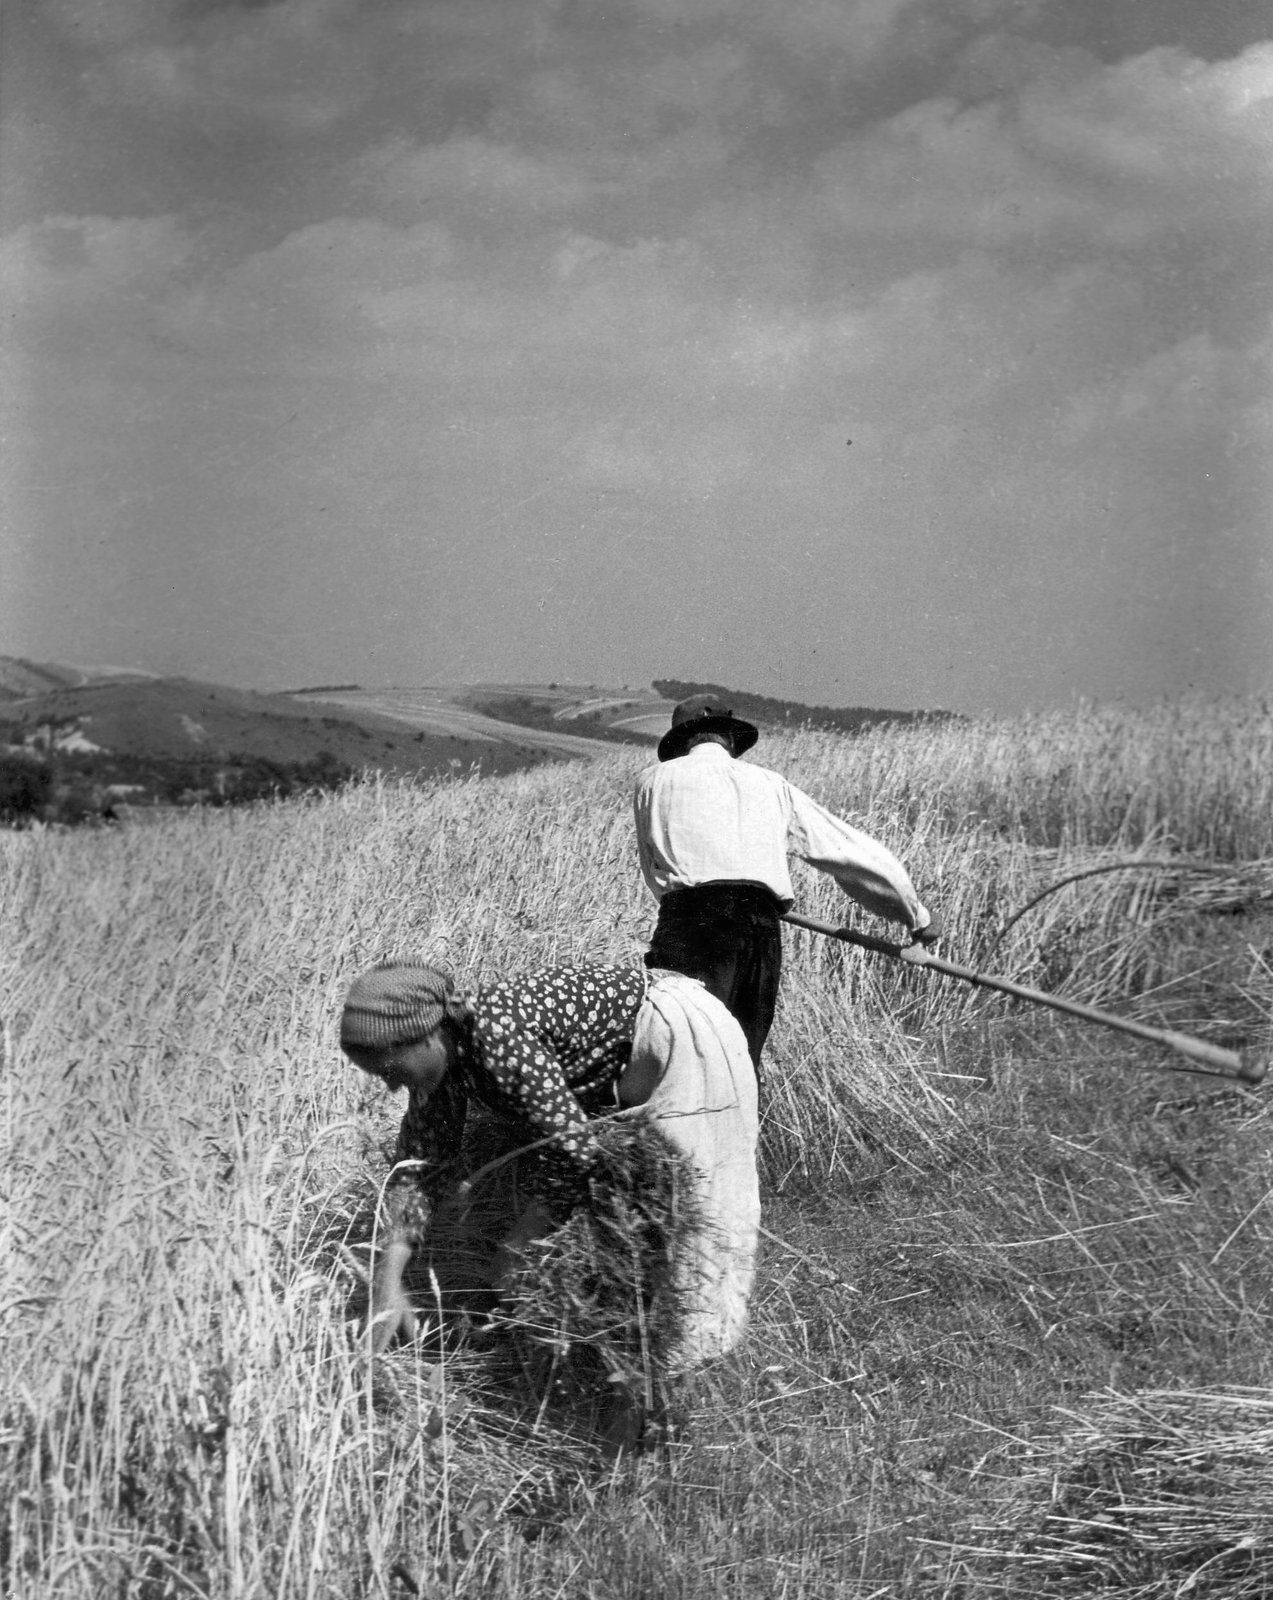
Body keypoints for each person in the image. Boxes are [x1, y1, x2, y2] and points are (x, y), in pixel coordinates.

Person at [339, 960, 648, 1352]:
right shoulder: (447, 1053)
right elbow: (419, 1166)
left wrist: (517, 1245)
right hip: (605, 1074)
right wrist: (387, 1281)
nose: (392, 1086)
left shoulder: (498, 1038)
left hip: (666, 1031)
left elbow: (575, 1151)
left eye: (391, 1070)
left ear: (428, 1038)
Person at [633, 693, 941, 1074]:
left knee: (681, 1058)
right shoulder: (771, 784)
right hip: (760, 929)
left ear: (681, 741)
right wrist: (917, 915)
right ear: (729, 738)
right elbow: (848, 850)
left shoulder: (654, 780)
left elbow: (654, 870)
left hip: (691, 925)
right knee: (742, 1064)